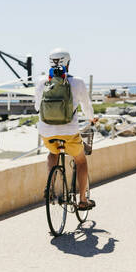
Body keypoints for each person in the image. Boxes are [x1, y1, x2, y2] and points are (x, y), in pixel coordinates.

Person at [35, 48, 98, 210]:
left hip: (46, 131)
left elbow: (37, 107)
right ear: (68, 63)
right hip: (69, 132)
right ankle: (83, 200)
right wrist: (91, 118)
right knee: (81, 161)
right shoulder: (78, 82)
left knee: (52, 153)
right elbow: (86, 106)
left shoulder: (42, 81)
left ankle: (50, 186)